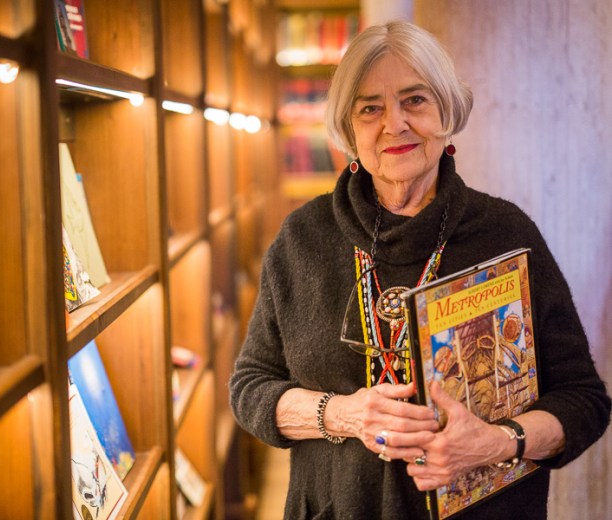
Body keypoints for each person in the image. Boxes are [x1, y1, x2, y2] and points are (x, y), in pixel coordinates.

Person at [229, 20, 610, 520]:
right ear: (348, 130)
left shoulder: (505, 233)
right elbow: (250, 387)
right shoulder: (301, 239)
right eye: (370, 108)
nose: (395, 123)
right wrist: (342, 415)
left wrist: (497, 442)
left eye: (415, 100)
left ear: (446, 112)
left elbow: (584, 401)